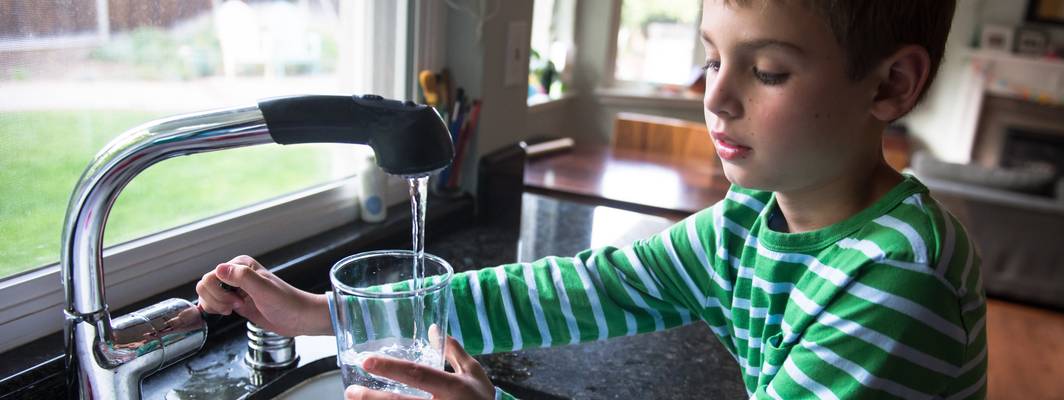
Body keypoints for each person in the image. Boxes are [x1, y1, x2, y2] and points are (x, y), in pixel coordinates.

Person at [196, 0, 986, 398]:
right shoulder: (753, 222)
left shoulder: (894, 282)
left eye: (768, 71)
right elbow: (585, 287)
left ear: (891, 84)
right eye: (712, 58)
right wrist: (321, 316)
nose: (716, 99)